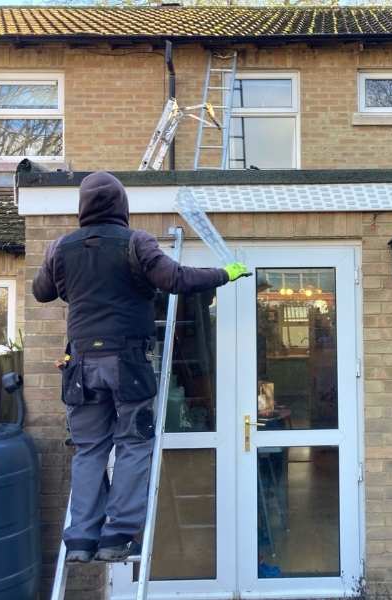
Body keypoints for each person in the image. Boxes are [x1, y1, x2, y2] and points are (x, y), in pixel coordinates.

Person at [32, 171, 249, 564]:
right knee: (132, 442)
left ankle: (81, 538)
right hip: (126, 361)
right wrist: (225, 274)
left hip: (80, 365)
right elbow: (175, 279)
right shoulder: (135, 242)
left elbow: (42, 291)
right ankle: (117, 535)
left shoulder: (62, 248)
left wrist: (70, 276)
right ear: (121, 206)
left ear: (82, 207)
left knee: (89, 449)